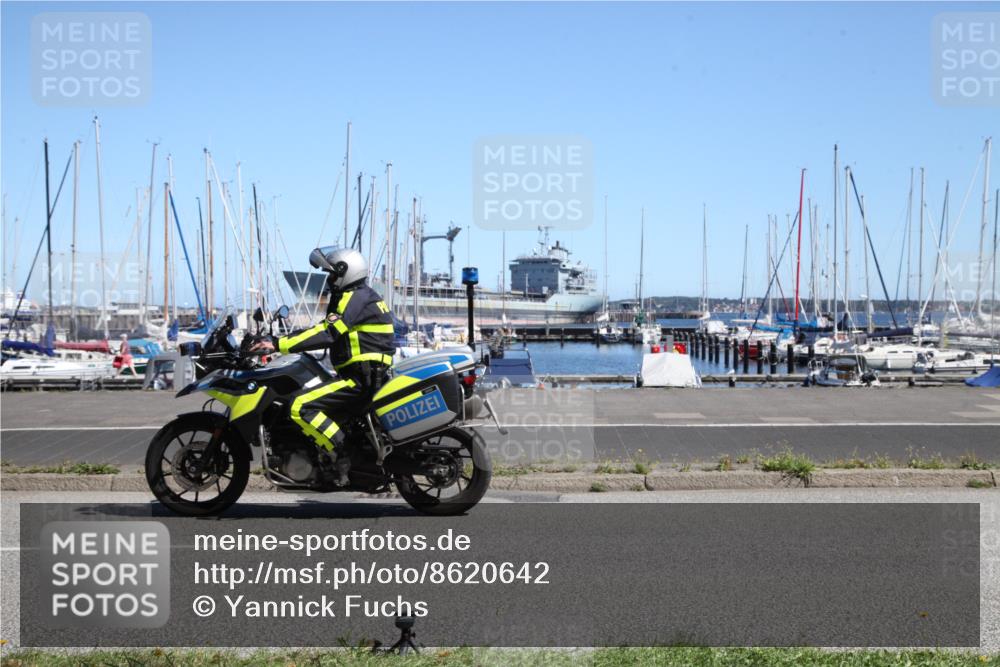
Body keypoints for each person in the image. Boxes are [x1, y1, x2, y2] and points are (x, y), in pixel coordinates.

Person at [251, 246, 395, 485]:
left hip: (360, 379)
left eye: (331, 274)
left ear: (344, 272)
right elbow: (320, 330)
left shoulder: (354, 297)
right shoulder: (361, 296)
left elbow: (328, 332)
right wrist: (285, 339)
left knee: (299, 406)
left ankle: (343, 454)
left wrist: (278, 344)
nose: (329, 280)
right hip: (366, 375)